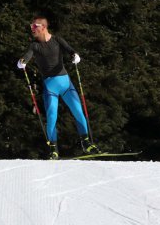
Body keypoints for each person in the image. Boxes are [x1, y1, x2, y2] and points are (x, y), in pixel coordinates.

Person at [17, 16, 100, 160]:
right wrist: (22, 62)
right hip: (50, 87)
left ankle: (86, 143)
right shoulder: (34, 45)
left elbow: (70, 50)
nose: (32, 29)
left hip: (66, 84)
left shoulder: (57, 40)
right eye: (31, 27)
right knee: (51, 116)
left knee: (78, 111)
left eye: (34, 27)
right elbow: (27, 56)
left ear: (43, 27)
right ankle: (53, 150)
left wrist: (75, 56)